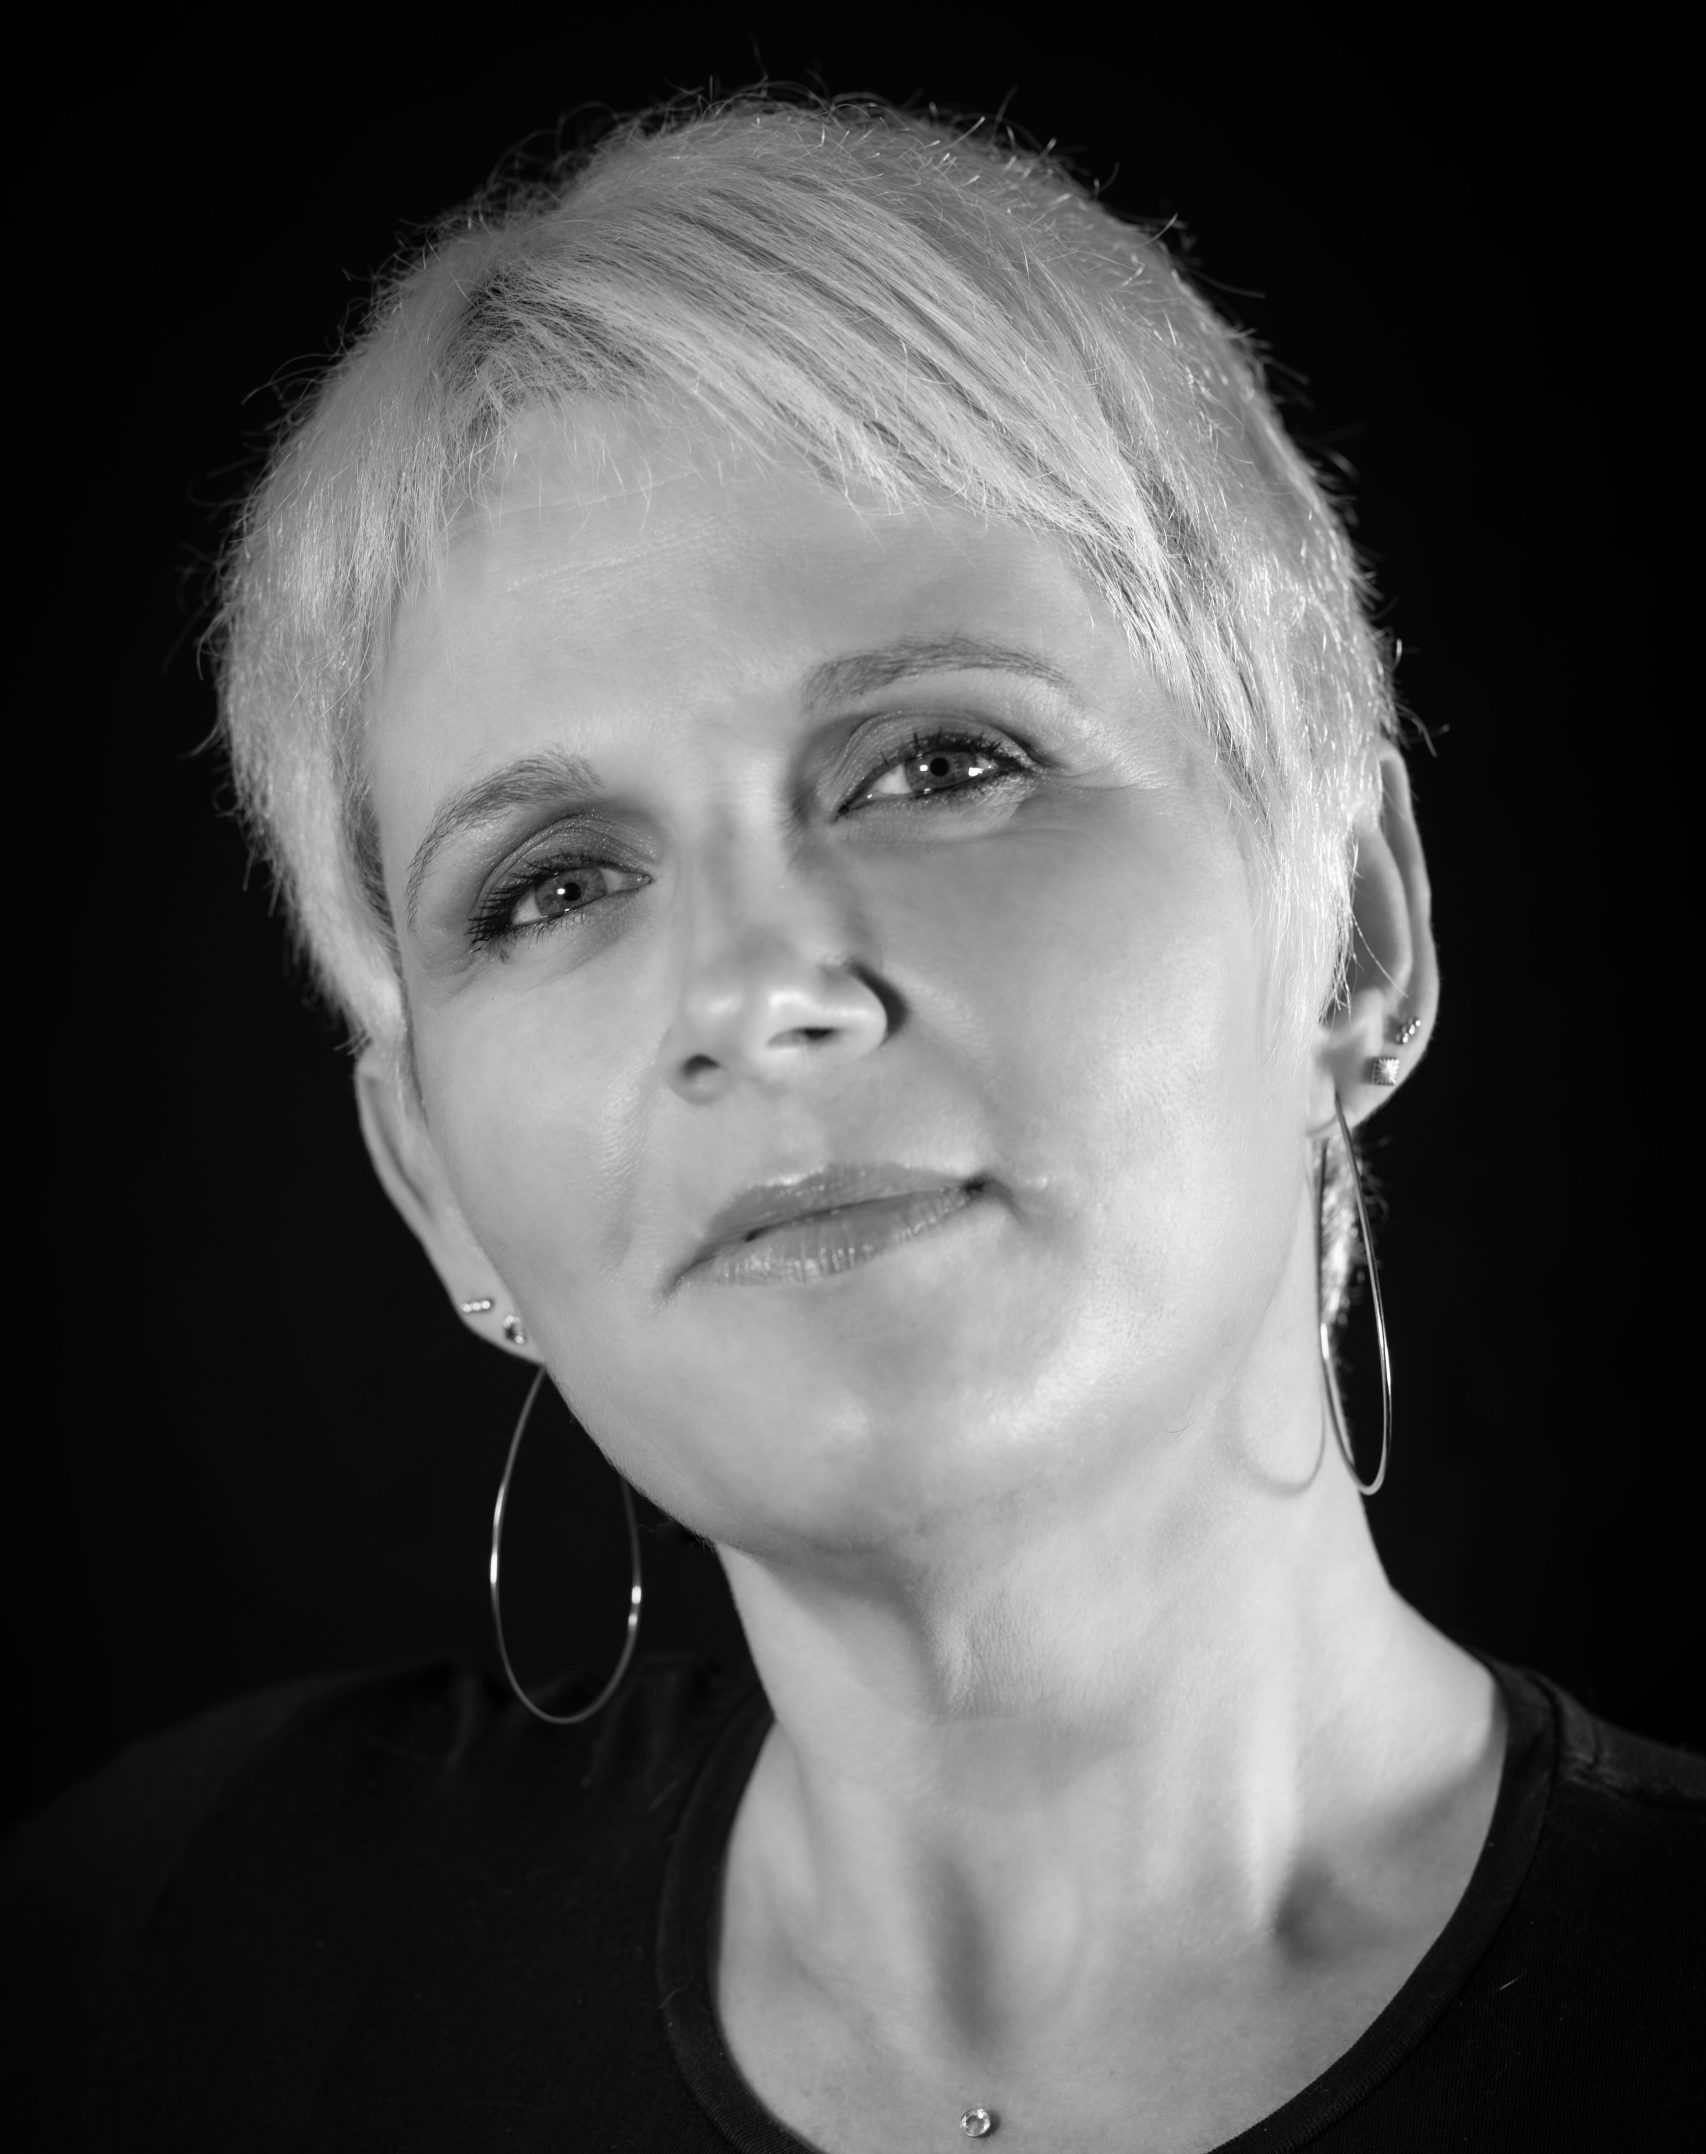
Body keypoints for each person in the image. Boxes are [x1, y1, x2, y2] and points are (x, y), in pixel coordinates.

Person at [5, 88, 1700, 2151]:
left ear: (1346, 933)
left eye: (938, 764)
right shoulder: (159, 1964)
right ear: (434, 1182)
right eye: (553, 885)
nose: (759, 987)